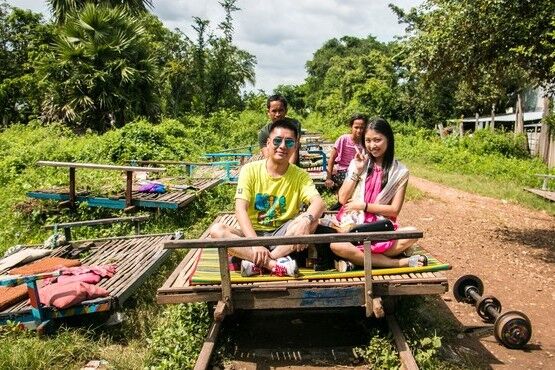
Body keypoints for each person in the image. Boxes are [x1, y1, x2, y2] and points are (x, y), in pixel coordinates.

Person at [210, 119, 326, 277]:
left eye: (289, 142)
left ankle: (259, 262)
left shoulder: (300, 175)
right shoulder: (250, 170)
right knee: (217, 230)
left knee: (312, 220)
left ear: (295, 146)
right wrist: (255, 243)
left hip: (283, 235)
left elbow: (318, 202)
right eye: (278, 141)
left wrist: (305, 219)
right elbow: (240, 209)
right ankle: (274, 265)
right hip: (252, 233)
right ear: (268, 143)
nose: (283, 146)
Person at [328, 117, 427, 270]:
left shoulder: (400, 172)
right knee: (337, 246)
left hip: (379, 227)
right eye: (368, 141)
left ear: (388, 139)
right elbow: (342, 198)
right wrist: (357, 171)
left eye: (377, 140)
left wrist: (364, 206)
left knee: (412, 233)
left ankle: (361, 259)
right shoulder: (359, 163)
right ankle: (399, 262)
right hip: (354, 225)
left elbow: (394, 210)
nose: (372, 145)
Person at [258, 94, 301, 165]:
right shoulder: (264, 133)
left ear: (286, 111)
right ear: (268, 112)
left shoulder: (295, 125)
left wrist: (289, 173)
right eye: (274, 111)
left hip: (293, 170)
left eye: (281, 110)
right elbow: (269, 158)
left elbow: (294, 150)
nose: (277, 114)